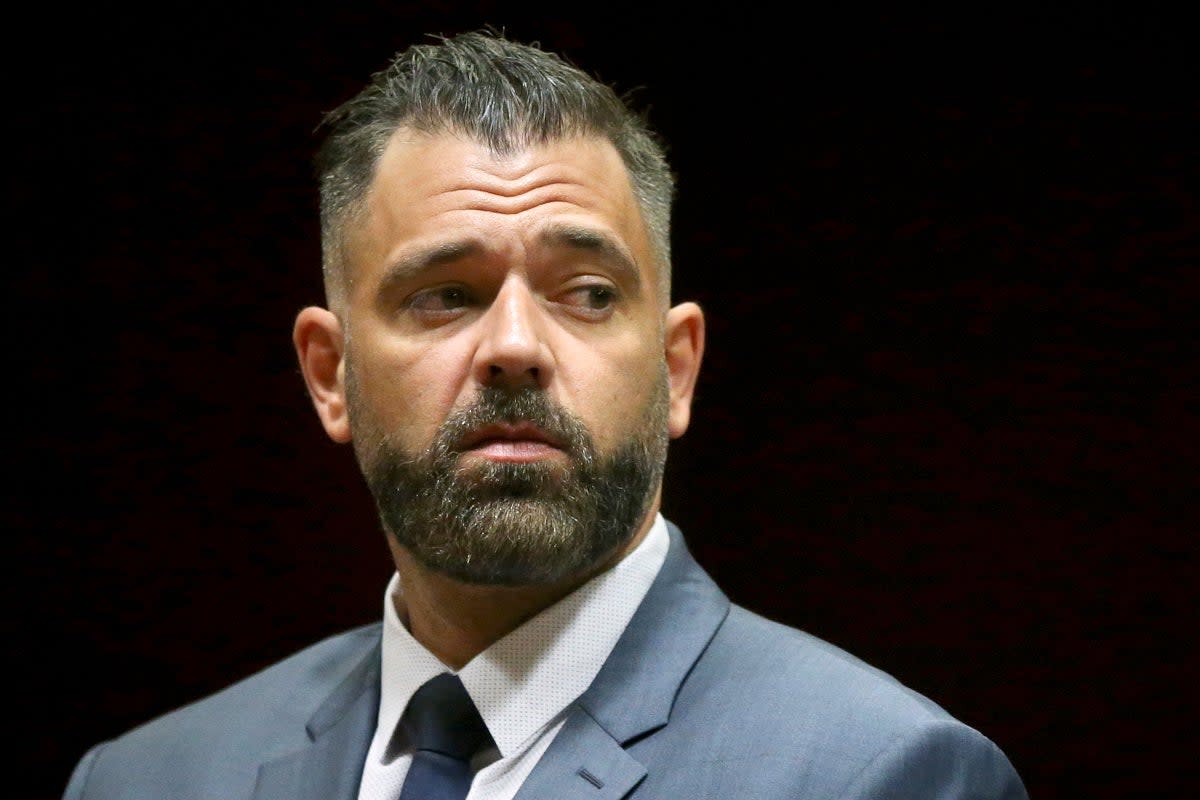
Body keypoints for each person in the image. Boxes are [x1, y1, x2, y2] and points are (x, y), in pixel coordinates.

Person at [63, 29, 1029, 800]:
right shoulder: (146, 780)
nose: (514, 345)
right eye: (444, 294)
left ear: (676, 366)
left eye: (589, 292)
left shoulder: (883, 775)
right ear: (330, 374)